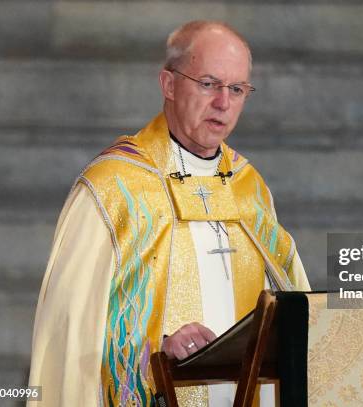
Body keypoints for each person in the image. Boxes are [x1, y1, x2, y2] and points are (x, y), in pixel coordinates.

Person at [27, 20, 310, 406]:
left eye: (237, 89)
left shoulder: (249, 188)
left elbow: (296, 311)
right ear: (169, 84)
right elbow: (71, 325)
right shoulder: (113, 187)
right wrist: (155, 351)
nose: (223, 103)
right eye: (208, 83)